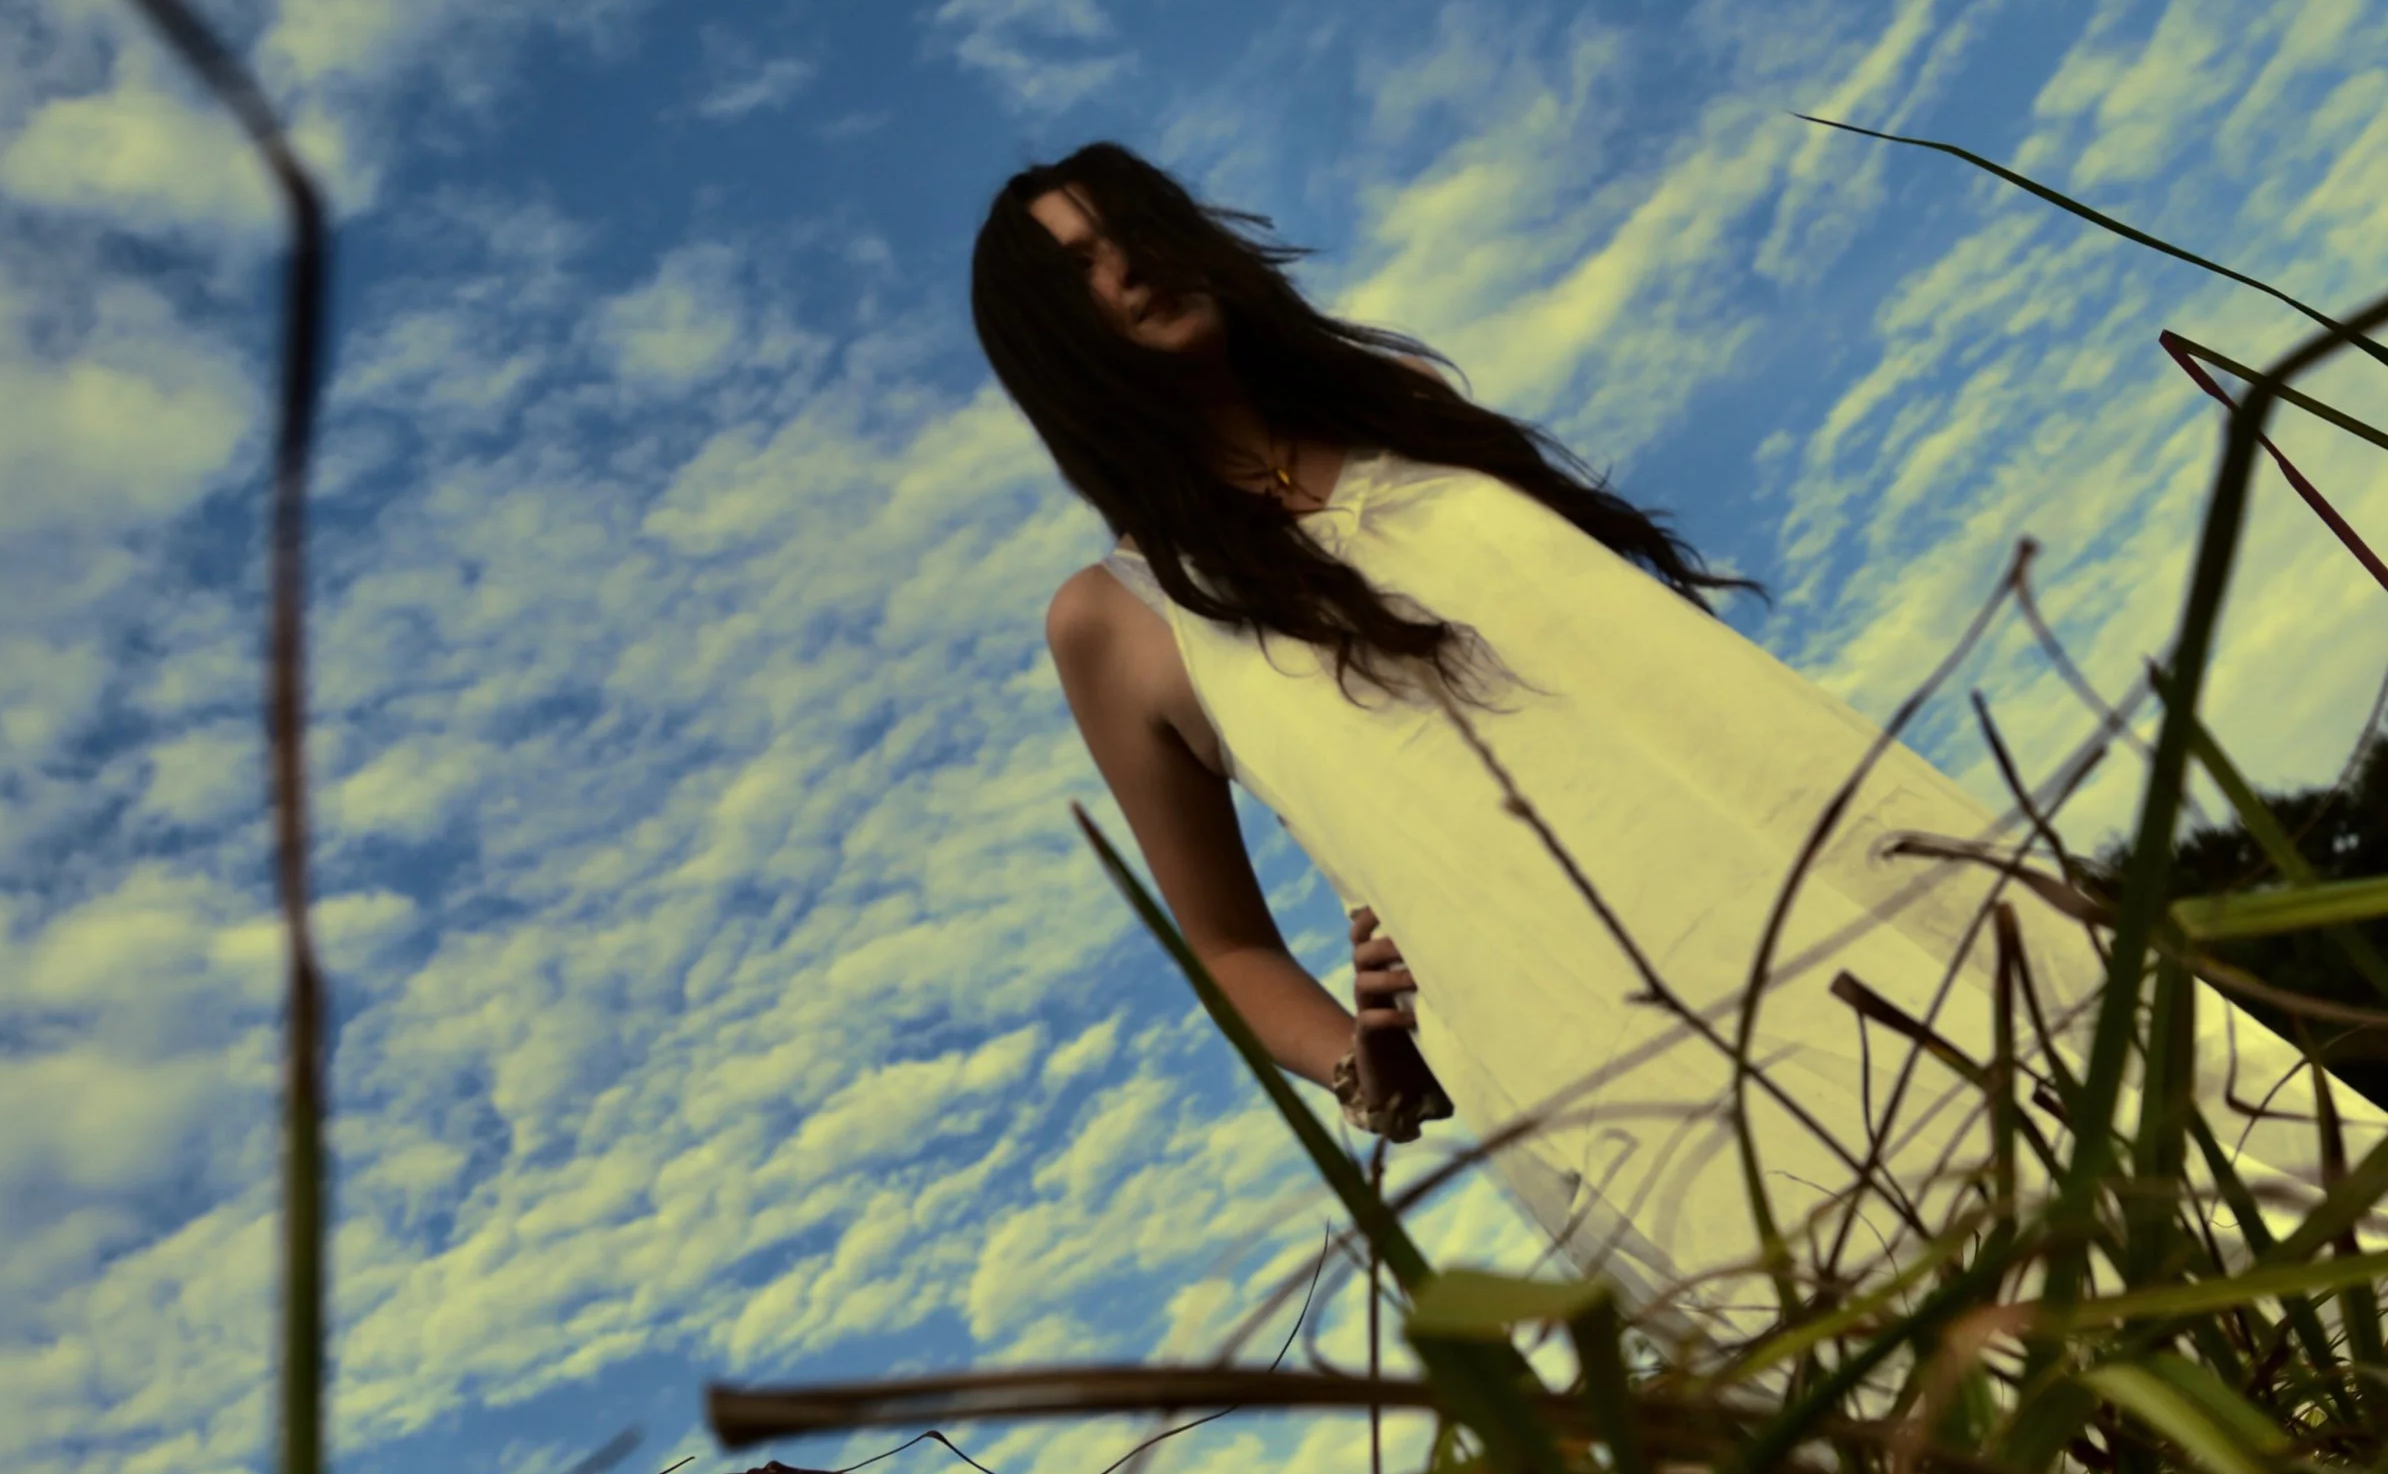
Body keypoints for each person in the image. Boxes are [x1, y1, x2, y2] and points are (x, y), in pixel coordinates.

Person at [970, 141, 2377, 1331]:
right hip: (1583, 1016)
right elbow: (1224, 944)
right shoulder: (1122, 620)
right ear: (1054, 349)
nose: (1130, 265)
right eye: (1079, 266)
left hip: (1819, 844)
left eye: (1134, 229)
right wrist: (1358, 1058)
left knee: (2195, 1142)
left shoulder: (1408, 417)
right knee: (1886, 1316)